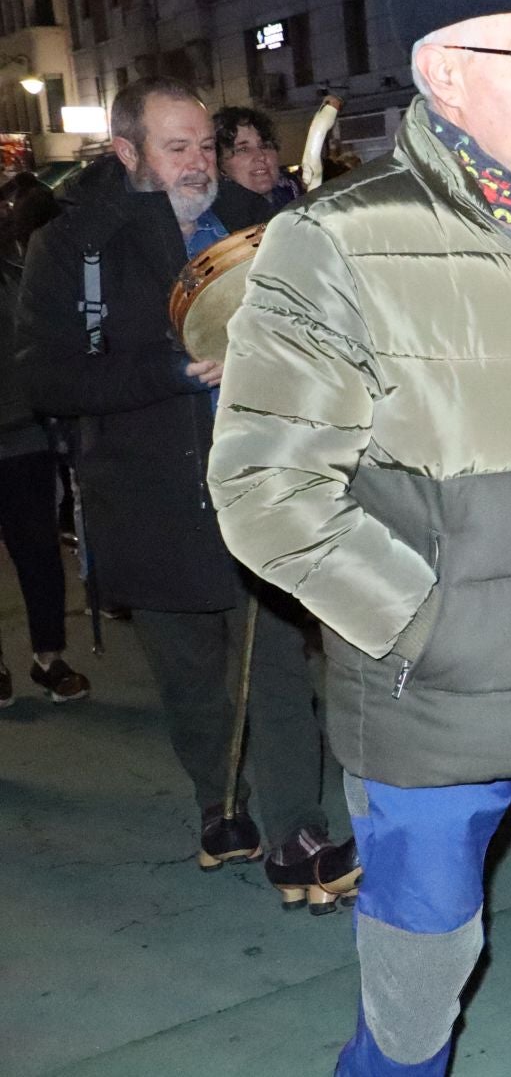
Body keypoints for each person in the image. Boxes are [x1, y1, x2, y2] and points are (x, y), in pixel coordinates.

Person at [207, 1, 511, 1073]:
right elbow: (266, 488)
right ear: (445, 73)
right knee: (416, 998)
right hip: (435, 712)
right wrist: (429, 625)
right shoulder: (339, 238)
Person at [14, 76, 347, 910]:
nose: (199, 162)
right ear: (128, 152)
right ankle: (218, 804)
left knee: (275, 663)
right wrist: (168, 373)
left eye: (204, 144)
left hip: (256, 482)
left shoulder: (253, 223)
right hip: (146, 494)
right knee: (191, 677)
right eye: (176, 148)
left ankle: (297, 830)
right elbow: (47, 377)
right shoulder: (74, 245)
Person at [0, 189, 90, 708]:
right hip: (22, 430)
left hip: (22, 435)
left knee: (38, 552)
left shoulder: (18, 274)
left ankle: (49, 657)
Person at [213, 106, 303, 208]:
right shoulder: (217, 215)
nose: (261, 156)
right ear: (220, 165)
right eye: (243, 149)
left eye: (265, 146)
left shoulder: (292, 192)